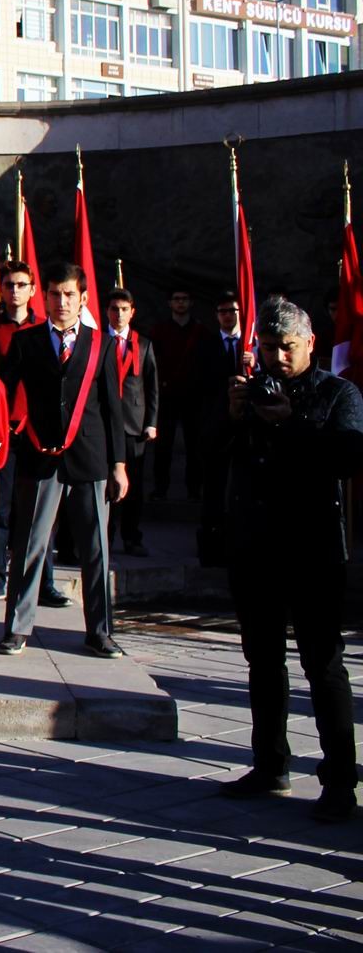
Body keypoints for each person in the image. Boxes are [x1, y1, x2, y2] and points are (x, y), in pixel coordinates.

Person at [216, 296, 363, 822]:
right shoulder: (254, 390)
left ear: (310, 344)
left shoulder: (337, 393)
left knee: (323, 667)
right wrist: (235, 417)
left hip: (314, 549)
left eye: (287, 347)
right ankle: (269, 762)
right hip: (256, 548)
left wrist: (289, 422)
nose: (277, 357)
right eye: (268, 346)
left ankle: (340, 782)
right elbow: (220, 459)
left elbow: (348, 456)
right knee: (263, 661)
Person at [0, 264, 127, 659]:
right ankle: (18, 628)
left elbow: (112, 410)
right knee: (30, 546)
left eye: (69, 295)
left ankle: (100, 632)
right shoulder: (26, 341)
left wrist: (119, 466)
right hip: (40, 456)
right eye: (54, 294)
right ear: (45, 296)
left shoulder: (100, 345)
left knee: (96, 550)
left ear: (83, 299)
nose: (62, 302)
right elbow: (2, 392)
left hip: (90, 459)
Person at [0, 262, 61, 607]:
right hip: (2, 432)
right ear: (1, 290)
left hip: (39, 431)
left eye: (22, 285)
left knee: (42, 510)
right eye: (10, 284)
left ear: (32, 290)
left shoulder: (47, 329)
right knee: (1, 509)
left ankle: (44, 582)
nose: (15, 291)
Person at [191, 292, 246, 565]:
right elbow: (199, 381)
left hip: (245, 428)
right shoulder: (207, 343)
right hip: (214, 425)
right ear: (217, 315)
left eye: (233, 310)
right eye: (223, 311)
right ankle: (211, 548)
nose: (229, 315)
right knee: (213, 488)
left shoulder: (252, 344)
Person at [104, 289, 159, 556]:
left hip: (134, 426)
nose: (119, 314)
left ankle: (131, 537)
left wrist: (151, 421)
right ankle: (105, 537)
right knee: (105, 484)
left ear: (132, 312)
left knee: (133, 485)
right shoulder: (99, 341)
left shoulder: (144, 344)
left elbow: (152, 387)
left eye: (124, 309)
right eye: (115, 309)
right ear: (107, 311)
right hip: (104, 423)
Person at [150, 286, 202, 499]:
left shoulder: (200, 332)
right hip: (166, 395)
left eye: (184, 298)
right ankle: (160, 488)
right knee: (163, 446)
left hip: (192, 397)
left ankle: (194, 490)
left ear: (191, 303)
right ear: (170, 303)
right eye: (176, 299)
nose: (180, 303)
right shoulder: (159, 331)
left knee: (194, 446)